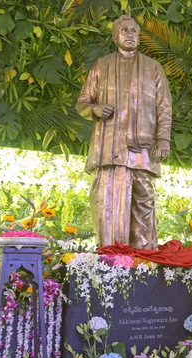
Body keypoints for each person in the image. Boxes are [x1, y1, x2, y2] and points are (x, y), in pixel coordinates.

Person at [77, 15, 172, 249]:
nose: (130, 35)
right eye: (125, 31)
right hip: (109, 147)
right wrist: (95, 109)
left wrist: (163, 138)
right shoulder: (101, 65)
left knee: (143, 203)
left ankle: (142, 258)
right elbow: (82, 103)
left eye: (134, 31)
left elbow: (164, 106)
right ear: (115, 36)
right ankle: (110, 255)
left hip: (144, 148)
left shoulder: (153, 68)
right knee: (107, 203)